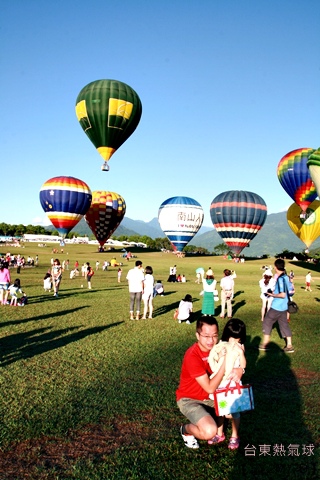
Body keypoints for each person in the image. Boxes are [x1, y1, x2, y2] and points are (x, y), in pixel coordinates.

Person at [176, 316, 243, 449]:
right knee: (209, 431)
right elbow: (210, 388)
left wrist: (240, 369)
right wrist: (224, 363)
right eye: (206, 336)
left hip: (211, 398)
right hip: (190, 399)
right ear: (197, 335)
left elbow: (238, 360)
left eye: (214, 335)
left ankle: (228, 430)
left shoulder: (219, 348)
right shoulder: (192, 356)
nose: (211, 341)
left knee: (234, 411)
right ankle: (185, 429)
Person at [207, 319, 247, 450]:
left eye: (237, 339)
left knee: (234, 411)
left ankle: (235, 435)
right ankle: (219, 433)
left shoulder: (240, 348)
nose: (234, 342)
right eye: (232, 338)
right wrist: (220, 355)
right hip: (221, 382)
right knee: (219, 410)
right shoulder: (221, 346)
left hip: (233, 383)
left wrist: (241, 354)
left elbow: (243, 365)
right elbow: (216, 362)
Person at [259, 258, 294, 353]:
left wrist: (272, 294)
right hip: (284, 306)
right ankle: (289, 345)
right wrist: (275, 291)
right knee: (284, 324)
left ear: (276, 267)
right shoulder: (286, 277)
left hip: (277, 306)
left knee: (267, 321)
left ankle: (265, 344)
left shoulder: (281, 279)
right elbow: (288, 291)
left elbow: (282, 295)